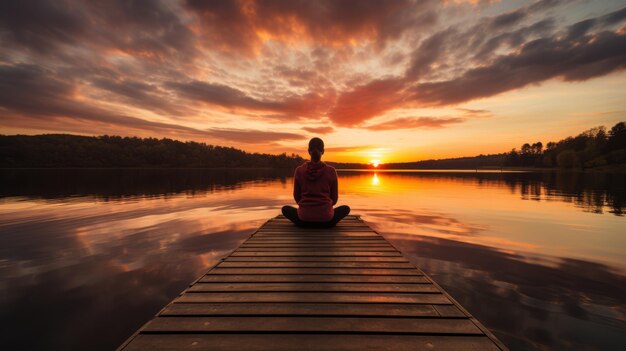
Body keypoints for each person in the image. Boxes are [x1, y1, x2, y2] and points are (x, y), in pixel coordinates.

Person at [282, 137, 350, 228]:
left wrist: (308, 208)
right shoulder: (331, 171)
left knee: (285, 209)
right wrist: (324, 209)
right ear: (323, 151)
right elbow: (334, 199)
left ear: (309, 151)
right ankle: (322, 217)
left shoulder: (299, 170)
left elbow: (297, 197)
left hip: (303, 220)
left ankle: (309, 217)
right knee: (345, 209)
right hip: (326, 221)